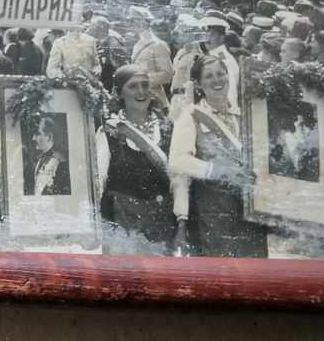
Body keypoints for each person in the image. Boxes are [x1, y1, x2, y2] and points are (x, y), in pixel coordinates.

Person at [170, 55, 267, 258]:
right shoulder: (190, 115)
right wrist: (218, 171)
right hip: (215, 211)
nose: (217, 80)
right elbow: (178, 160)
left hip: (251, 210)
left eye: (220, 73)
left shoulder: (245, 113)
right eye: (209, 76)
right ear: (198, 84)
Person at [96, 65, 179, 254]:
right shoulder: (109, 131)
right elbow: (98, 183)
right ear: (119, 93)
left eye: (145, 85)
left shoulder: (168, 128)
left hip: (161, 225)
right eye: (132, 86)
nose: (141, 91)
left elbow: (178, 179)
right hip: (122, 227)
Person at [130, 14, 174, 97]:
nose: (134, 24)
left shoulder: (158, 44)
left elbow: (167, 74)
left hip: (154, 96)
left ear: (146, 22)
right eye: (132, 21)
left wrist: (143, 81)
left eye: (138, 20)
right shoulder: (136, 45)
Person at [30, 116, 70, 196]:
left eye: (37, 134)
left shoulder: (60, 161)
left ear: (49, 137)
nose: (33, 138)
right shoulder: (39, 160)